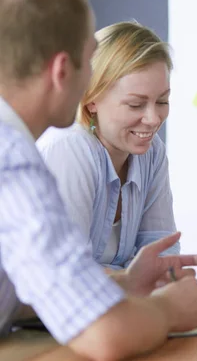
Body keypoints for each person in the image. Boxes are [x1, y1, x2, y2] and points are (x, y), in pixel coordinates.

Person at [0, 0, 197, 361]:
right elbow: (105, 335)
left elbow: (33, 287)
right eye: (90, 61)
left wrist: (126, 285)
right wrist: (169, 310)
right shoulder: (14, 163)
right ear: (65, 71)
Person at [37, 21, 176, 269]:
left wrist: (167, 280)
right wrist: (134, 281)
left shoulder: (152, 152)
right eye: (135, 104)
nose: (154, 119)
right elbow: (68, 272)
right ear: (91, 100)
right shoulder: (70, 149)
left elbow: (161, 251)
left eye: (162, 101)